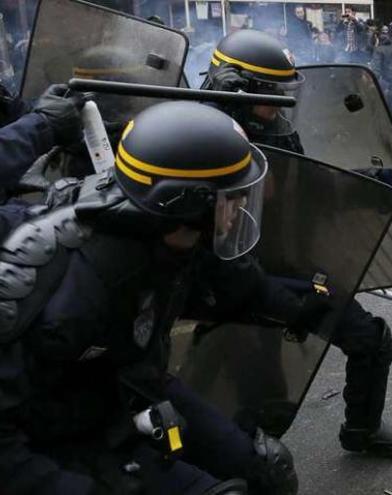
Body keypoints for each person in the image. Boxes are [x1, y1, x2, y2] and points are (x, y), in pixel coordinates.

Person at [0, 101, 313, 495]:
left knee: (267, 470)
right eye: (231, 199)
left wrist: (310, 306)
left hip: (128, 385)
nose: (238, 212)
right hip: (57, 438)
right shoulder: (73, 287)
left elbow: (238, 288)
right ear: (187, 203)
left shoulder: (178, 241)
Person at [202, 29, 392, 457]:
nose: (283, 101)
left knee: (368, 338)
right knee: (253, 381)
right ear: (239, 88)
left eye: (286, 89)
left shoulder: (275, 128)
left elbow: (305, 189)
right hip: (235, 276)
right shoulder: (206, 137)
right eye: (273, 91)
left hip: (287, 262)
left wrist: (362, 187)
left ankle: (361, 430)